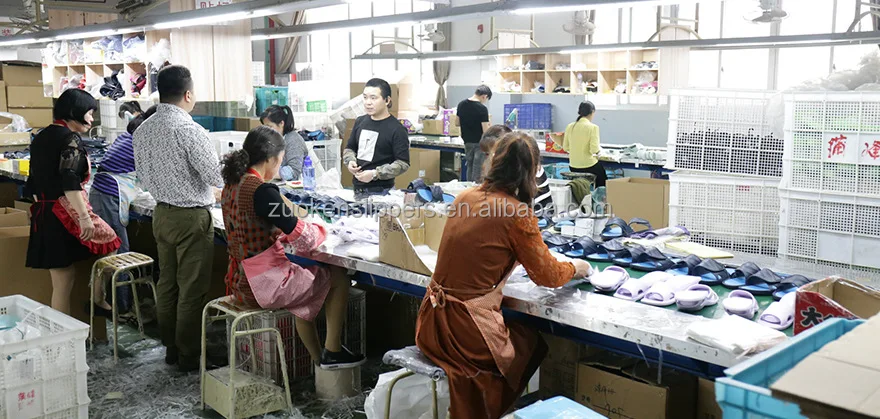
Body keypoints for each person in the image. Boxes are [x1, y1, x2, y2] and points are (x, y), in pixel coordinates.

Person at [415, 132, 592, 418]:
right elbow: (548, 276)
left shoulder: (465, 197)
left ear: (493, 161)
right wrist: (576, 268)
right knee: (530, 343)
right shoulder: (516, 213)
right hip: (464, 335)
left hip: (431, 324)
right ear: (533, 172)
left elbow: (481, 250)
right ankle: (497, 410)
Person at [220, 126, 366, 369]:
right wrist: (322, 229)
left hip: (238, 279)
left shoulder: (232, 183)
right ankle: (333, 350)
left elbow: (255, 225)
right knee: (338, 276)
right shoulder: (262, 191)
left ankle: (319, 361)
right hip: (263, 284)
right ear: (271, 159)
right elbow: (304, 238)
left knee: (303, 288)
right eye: (280, 161)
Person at [133, 65, 223, 372]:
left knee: (168, 284)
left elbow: (143, 177)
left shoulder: (143, 129)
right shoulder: (189, 130)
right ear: (187, 94)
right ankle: (189, 356)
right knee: (192, 290)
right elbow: (216, 176)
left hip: (161, 215)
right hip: (191, 218)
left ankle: (171, 348)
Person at [25, 89, 121, 315]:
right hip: (65, 211)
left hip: (44, 211)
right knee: (112, 243)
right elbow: (70, 181)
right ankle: (98, 298)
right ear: (74, 112)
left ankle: (63, 334)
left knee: (62, 281)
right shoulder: (70, 139)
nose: (91, 119)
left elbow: (33, 181)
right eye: (89, 113)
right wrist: (85, 219)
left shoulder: (41, 136)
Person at [89, 106, 155, 316]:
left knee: (114, 250)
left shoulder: (129, 136)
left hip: (104, 194)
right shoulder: (140, 142)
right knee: (119, 252)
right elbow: (153, 175)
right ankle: (120, 308)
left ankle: (110, 301)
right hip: (108, 197)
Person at [343, 78, 410, 200]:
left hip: (382, 192)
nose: (368, 102)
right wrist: (350, 161)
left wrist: (375, 174)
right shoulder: (360, 121)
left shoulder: (397, 129)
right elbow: (350, 148)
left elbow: (403, 164)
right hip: (358, 189)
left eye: (373, 98)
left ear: (387, 100)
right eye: (365, 98)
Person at [480, 125, 552, 215]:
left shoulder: (520, 173)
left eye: (494, 154)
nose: (490, 159)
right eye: (487, 154)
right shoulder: (522, 168)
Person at [563, 101, 607, 187]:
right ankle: (600, 194)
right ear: (592, 112)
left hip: (573, 167)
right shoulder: (593, 127)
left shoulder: (570, 126)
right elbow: (594, 149)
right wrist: (599, 152)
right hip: (589, 166)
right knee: (603, 181)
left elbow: (565, 147)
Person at [260, 105, 308, 181]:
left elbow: (294, 171)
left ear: (281, 123)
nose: (266, 131)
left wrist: (268, 172)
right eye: (264, 127)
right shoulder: (272, 140)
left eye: (270, 127)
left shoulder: (293, 140)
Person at [457, 85, 492, 182]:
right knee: (478, 169)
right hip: (479, 143)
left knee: (469, 166)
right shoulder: (482, 109)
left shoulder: (461, 104)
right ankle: (476, 189)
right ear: (484, 96)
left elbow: (457, 122)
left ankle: (469, 187)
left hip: (467, 141)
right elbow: (485, 130)